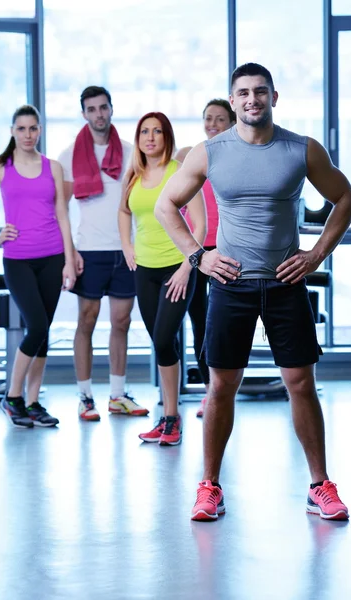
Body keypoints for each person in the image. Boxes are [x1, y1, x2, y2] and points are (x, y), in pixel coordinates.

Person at [155, 63, 351, 520]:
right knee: (220, 387)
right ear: (232, 100)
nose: (252, 100)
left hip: (286, 283)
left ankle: (319, 485)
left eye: (260, 92)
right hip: (231, 285)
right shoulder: (210, 153)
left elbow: (346, 200)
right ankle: (209, 487)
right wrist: (198, 256)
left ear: (274, 97)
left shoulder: (300, 149)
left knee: (301, 383)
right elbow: (166, 204)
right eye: (243, 93)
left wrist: (316, 254)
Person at [58, 86, 149, 421]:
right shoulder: (69, 155)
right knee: (86, 321)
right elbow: (62, 209)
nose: (98, 114)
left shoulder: (129, 152)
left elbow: (140, 202)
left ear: (111, 109)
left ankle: (117, 394)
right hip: (89, 251)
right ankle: (84, 397)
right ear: (83, 113)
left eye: (103, 108)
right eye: (92, 109)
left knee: (122, 322)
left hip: (125, 250)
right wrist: (70, 255)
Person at [119, 112, 206, 446]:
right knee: (162, 342)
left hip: (176, 268)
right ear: (138, 138)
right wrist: (127, 244)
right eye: (144, 131)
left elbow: (199, 224)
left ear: (166, 136)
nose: (150, 137)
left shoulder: (180, 173)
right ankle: (170, 416)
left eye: (157, 131)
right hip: (146, 270)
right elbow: (124, 210)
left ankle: (172, 417)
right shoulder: (135, 174)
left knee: (164, 335)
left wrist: (188, 265)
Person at [0, 104, 76, 428]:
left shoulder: (52, 167)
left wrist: (69, 261)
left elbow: (62, 215)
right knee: (38, 327)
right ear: (12, 131)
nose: (27, 134)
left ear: (39, 131)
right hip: (18, 260)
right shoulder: (1, 167)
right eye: (21, 129)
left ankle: (32, 402)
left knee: (41, 332)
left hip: (52, 258)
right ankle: (12, 398)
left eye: (33, 128)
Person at [175, 100, 236, 418]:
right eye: (208, 118)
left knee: (219, 325)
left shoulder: (237, 155)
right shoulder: (191, 155)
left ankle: (221, 388)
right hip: (198, 251)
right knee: (200, 321)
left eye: (220, 119)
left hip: (227, 251)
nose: (213, 123)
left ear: (232, 121)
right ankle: (208, 392)